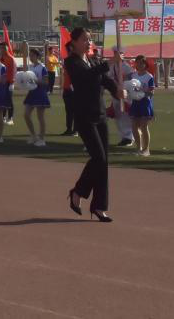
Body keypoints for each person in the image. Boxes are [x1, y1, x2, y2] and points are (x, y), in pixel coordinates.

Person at [63, 27, 120, 222]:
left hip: (100, 114)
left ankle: (99, 206)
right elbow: (86, 77)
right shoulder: (71, 62)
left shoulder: (93, 60)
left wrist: (116, 91)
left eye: (90, 39)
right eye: (84, 39)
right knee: (98, 158)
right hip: (84, 116)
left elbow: (105, 79)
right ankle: (78, 191)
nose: (88, 43)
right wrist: (110, 62)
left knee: (104, 161)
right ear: (74, 42)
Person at [128, 55, 156, 157]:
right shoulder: (133, 75)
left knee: (144, 127)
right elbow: (130, 88)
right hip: (135, 103)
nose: (139, 65)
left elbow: (151, 92)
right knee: (134, 127)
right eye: (137, 63)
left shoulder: (149, 77)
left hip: (145, 103)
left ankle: (146, 149)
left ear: (145, 64)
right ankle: (138, 148)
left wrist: (141, 90)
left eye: (141, 63)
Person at [23, 48, 50, 146]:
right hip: (32, 93)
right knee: (26, 115)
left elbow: (46, 82)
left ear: (37, 56)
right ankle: (34, 136)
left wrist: (35, 80)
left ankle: (41, 139)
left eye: (32, 55)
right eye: (30, 55)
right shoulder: (30, 67)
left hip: (40, 93)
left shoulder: (42, 67)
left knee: (40, 117)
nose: (30, 57)